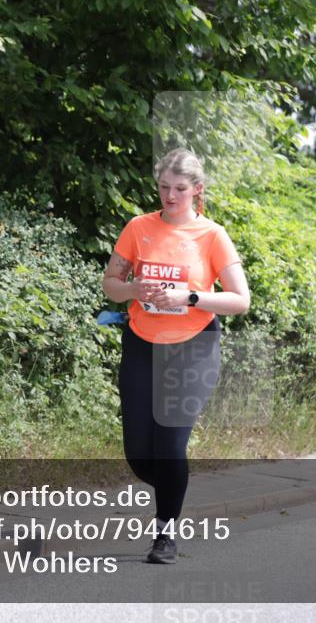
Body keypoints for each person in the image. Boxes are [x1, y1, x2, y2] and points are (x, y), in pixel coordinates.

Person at [102, 148, 251, 564]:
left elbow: (240, 300)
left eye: (180, 189)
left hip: (193, 348)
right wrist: (134, 289)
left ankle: (165, 535)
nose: (170, 196)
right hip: (141, 342)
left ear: (197, 190)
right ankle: (173, 483)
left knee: (169, 446)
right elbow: (110, 283)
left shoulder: (212, 235)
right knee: (138, 453)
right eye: (164, 187)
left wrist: (189, 296)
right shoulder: (138, 228)